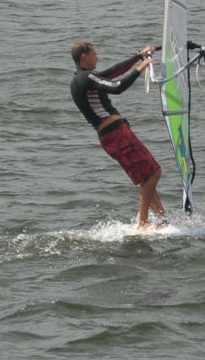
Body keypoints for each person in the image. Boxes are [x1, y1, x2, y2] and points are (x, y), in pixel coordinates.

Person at [69, 40, 166, 229]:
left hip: (110, 136)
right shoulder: (85, 78)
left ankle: (163, 221)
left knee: (147, 177)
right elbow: (117, 86)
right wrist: (141, 67)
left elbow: (113, 72)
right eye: (94, 53)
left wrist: (139, 55)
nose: (97, 57)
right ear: (84, 57)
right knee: (154, 173)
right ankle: (143, 224)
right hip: (116, 135)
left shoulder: (83, 79)